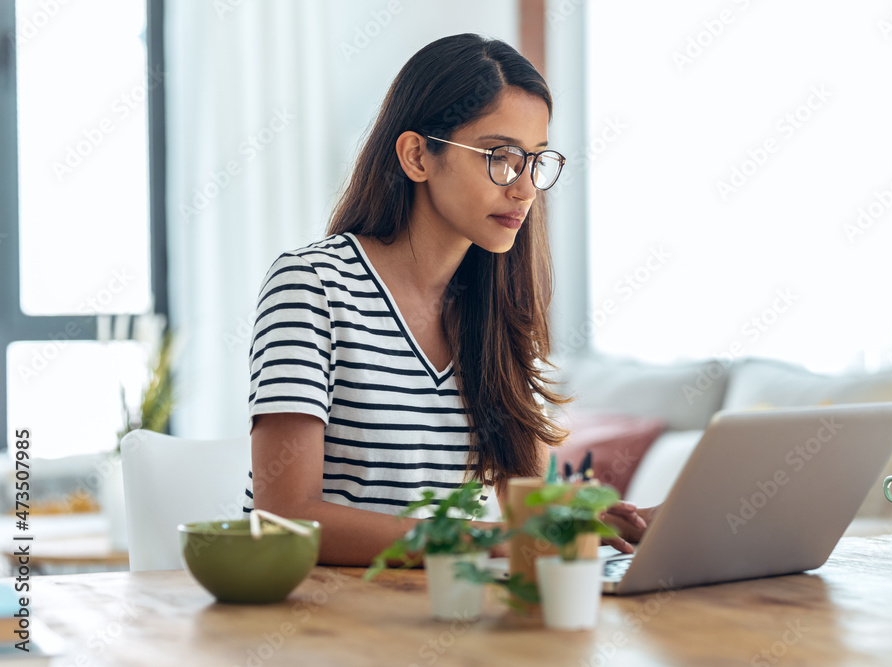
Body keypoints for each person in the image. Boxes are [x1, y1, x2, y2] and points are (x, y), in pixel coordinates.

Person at [242, 33, 653, 566]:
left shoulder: (493, 312)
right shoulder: (312, 286)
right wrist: (492, 542)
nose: (525, 188)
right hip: (322, 625)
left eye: (536, 160)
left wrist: (606, 522)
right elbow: (285, 519)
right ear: (418, 155)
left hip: (448, 616)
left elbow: (525, 507)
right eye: (501, 157)